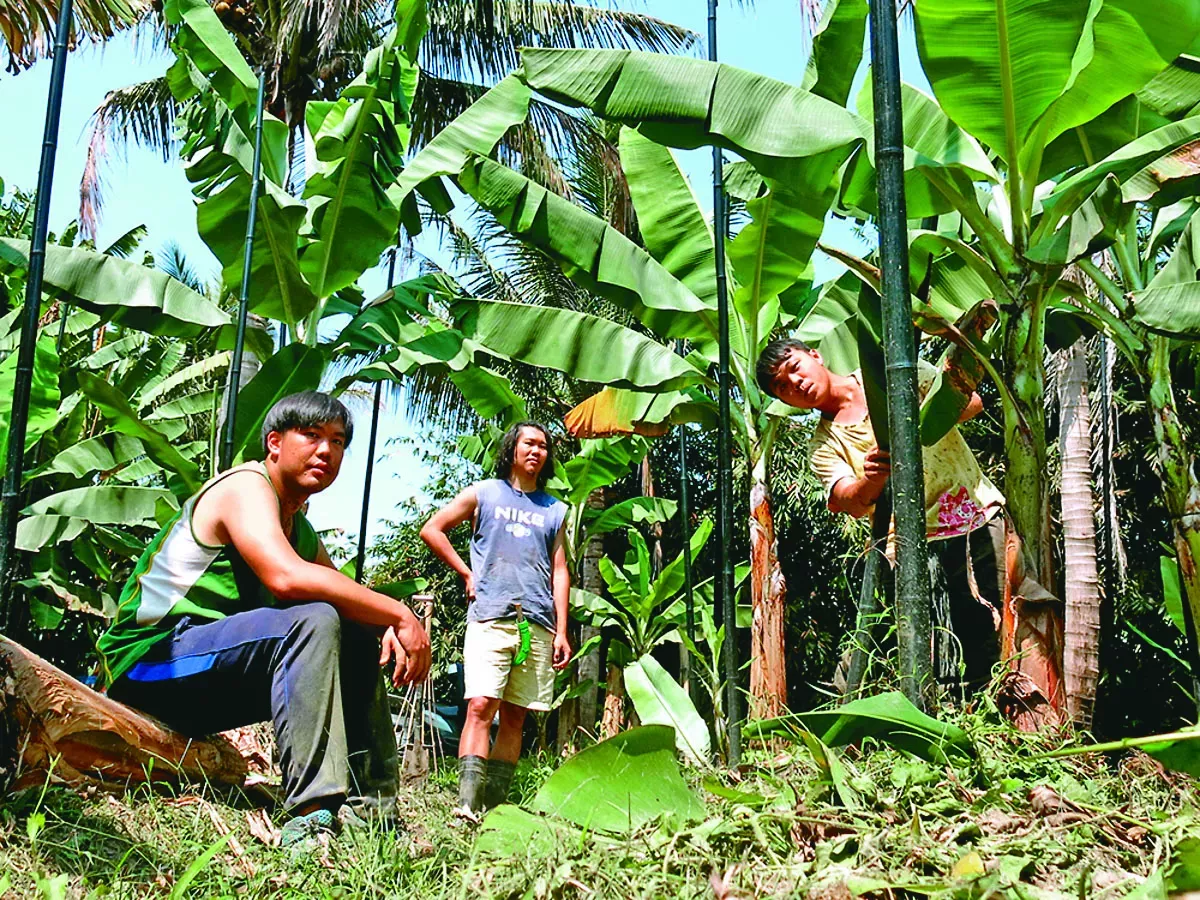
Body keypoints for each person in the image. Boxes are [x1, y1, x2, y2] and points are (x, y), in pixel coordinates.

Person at [98, 392, 431, 849]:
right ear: (274, 442)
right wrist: (398, 612)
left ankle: (372, 818)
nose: (326, 451)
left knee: (351, 632)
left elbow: (346, 600)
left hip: (205, 676)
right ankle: (310, 818)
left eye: (337, 442)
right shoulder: (244, 487)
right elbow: (286, 576)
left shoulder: (301, 528)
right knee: (311, 618)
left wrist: (384, 628)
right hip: (148, 663)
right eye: (311, 436)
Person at [756, 338, 1054, 692]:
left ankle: (1014, 718)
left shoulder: (890, 375)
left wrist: (917, 417)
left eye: (794, 368)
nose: (795, 383)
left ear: (815, 355)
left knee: (998, 628)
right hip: (909, 547)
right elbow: (848, 499)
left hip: (974, 517)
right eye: (782, 387)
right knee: (922, 647)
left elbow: (971, 403)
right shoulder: (824, 444)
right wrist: (872, 479)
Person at [421, 421, 572, 817]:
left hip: (537, 622)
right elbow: (433, 530)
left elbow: (560, 571)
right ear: (513, 449)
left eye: (543, 446)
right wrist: (466, 573)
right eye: (528, 444)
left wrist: (563, 630)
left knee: (516, 714)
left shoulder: (555, 511)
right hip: (490, 615)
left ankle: (496, 805)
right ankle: (467, 803)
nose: (536, 451)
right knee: (480, 705)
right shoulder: (484, 493)